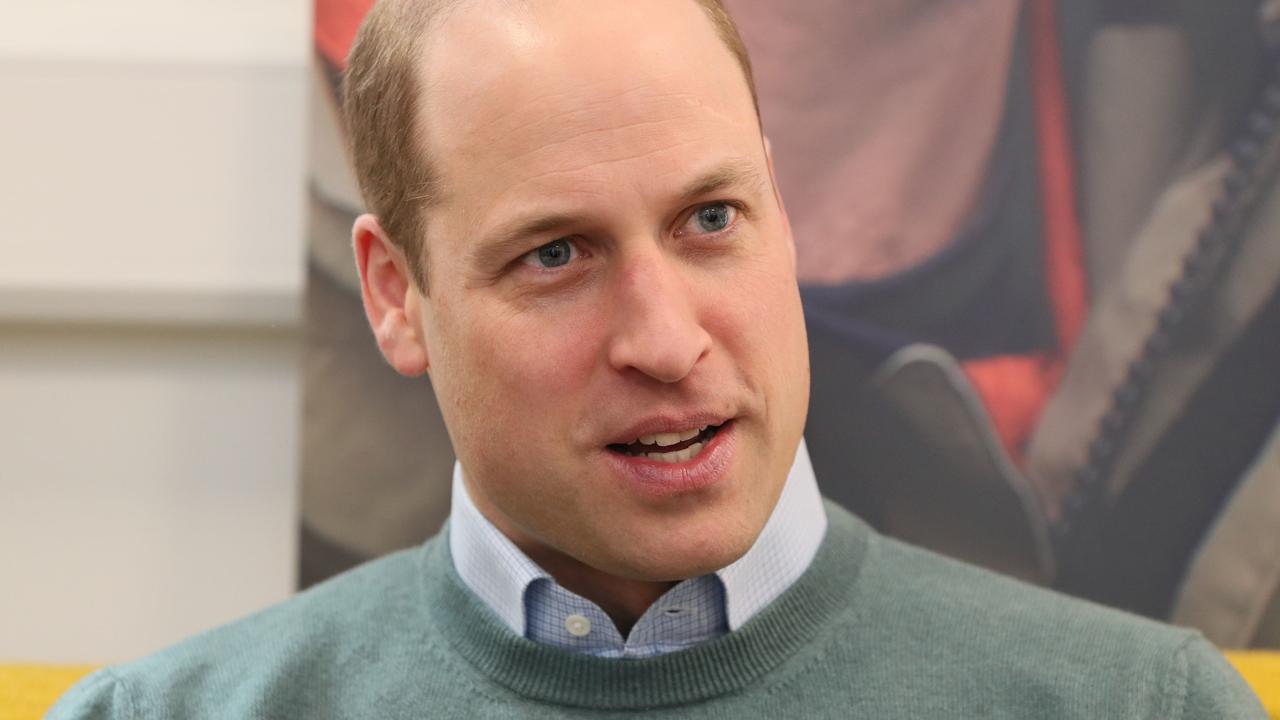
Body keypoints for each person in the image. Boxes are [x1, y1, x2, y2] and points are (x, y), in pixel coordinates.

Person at [50, 0, 1266, 716]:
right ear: (395, 294)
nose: (666, 338)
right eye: (554, 255)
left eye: (709, 222)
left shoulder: (1137, 708)